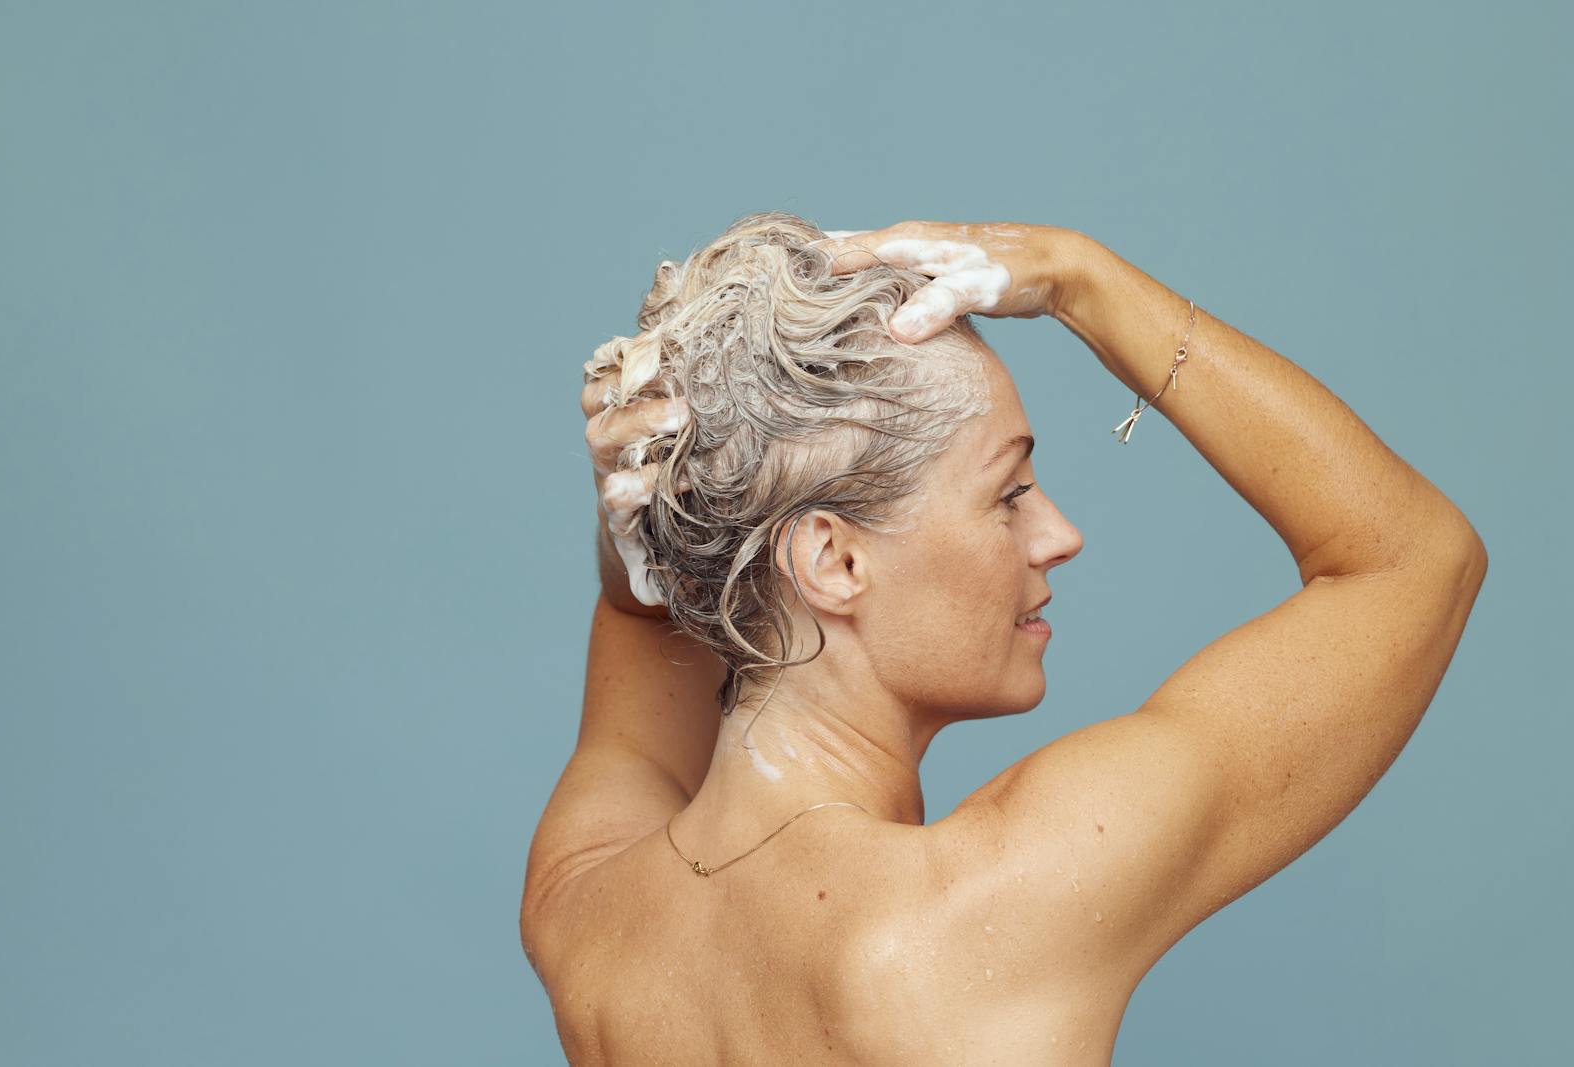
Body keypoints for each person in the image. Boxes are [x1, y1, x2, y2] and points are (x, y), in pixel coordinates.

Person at [521, 212, 1488, 1064]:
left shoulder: (586, 906)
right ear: (833, 560)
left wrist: (647, 513)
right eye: (1010, 492)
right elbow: (1412, 561)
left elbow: (636, 612)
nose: (1058, 535)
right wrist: (1081, 277)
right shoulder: (992, 907)